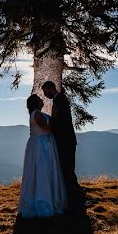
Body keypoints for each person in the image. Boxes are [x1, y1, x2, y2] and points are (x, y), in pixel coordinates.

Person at [18, 94, 67, 218]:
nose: (42, 100)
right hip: (42, 145)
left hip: (40, 143)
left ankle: (41, 197)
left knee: (40, 171)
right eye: (40, 100)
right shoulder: (37, 114)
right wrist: (55, 117)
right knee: (44, 170)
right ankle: (45, 201)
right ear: (36, 103)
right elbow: (47, 129)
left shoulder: (35, 113)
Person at [41, 80, 84, 211]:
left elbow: (59, 121)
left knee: (67, 168)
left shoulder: (59, 100)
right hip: (67, 140)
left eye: (45, 92)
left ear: (50, 88)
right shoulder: (60, 100)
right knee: (68, 167)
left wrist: (49, 124)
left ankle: (74, 196)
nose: (45, 95)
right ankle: (75, 195)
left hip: (65, 140)